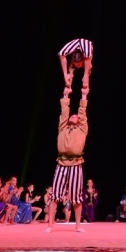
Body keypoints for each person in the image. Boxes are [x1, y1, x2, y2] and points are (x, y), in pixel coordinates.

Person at [46, 87, 89, 233]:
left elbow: (83, 114)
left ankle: (77, 225)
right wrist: (65, 96)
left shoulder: (82, 129)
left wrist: (83, 95)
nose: (73, 117)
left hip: (76, 164)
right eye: (72, 116)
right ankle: (50, 225)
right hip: (61, 164)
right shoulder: (63, 128)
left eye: (75, 116)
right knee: (55, 195)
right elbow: (64, 112)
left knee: (76, 197)